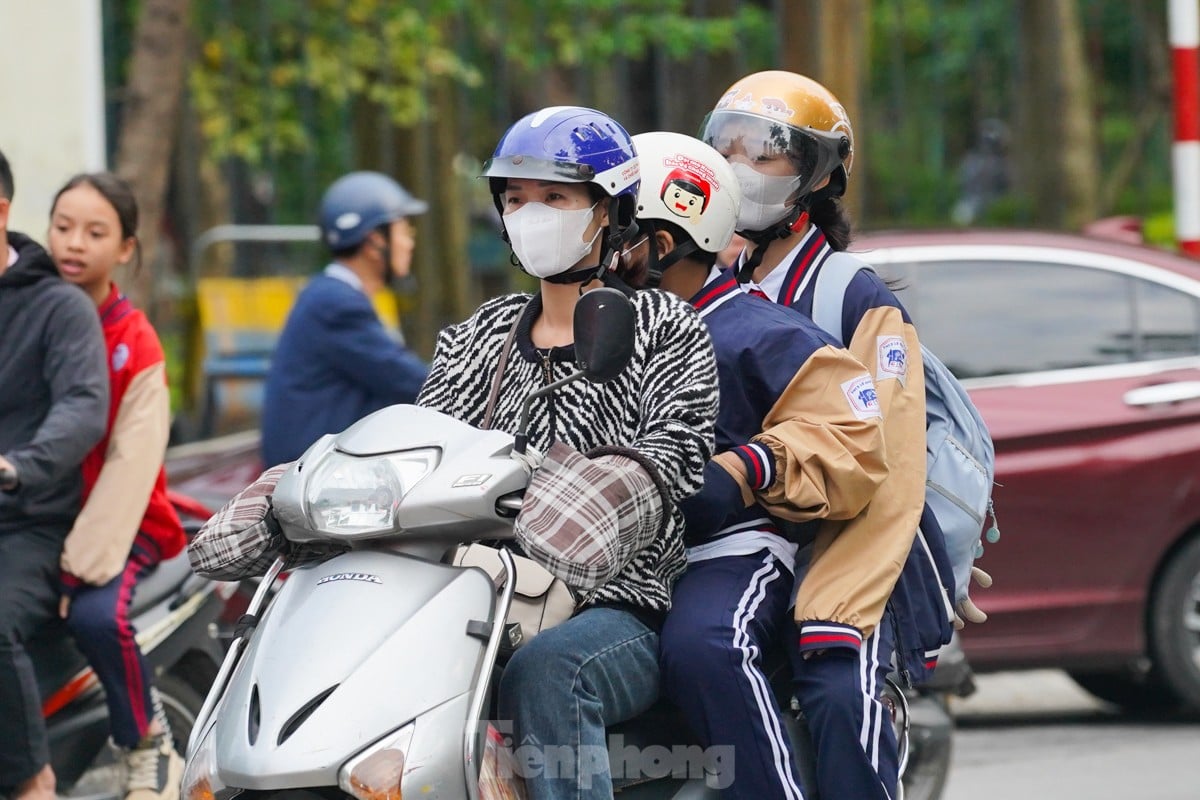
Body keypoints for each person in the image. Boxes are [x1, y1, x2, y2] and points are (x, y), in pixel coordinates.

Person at [415, 106, 719, 800]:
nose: (532, 213)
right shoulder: (477, 337)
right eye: (516, 198)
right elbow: (423, 445)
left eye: (555, 197)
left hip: (619, 608)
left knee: (550, 670)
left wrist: (591, 498)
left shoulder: (663, 326)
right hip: (479, 594)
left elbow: (679, 452)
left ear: (608, 212)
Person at [700, 70, 955, 799]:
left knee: (838, 697)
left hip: (840, 558)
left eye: (767, 153)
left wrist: (834, 612)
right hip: (741, 551)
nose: (741, 167)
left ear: (817, 175)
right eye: (728, 147)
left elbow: (894, 469)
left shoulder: (853, 296)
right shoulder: (708, 280)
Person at [630, 131, 890, 800]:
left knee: (704, 647)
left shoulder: (762, 331)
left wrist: (746, 468)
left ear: (667, 241)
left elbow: (855, 435)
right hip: (608, 557)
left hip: (729, 550)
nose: (600, 247)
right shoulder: (588, 325)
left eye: (618, 229)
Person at [46, 172, 188, 800]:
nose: (74, 244)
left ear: (126, 249)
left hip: (121, 528)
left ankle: (145, 742)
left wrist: (77, 569)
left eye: (95, 233)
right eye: (63, 227)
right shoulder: (26, 313)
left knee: (98, 618)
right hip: (36, 520)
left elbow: (129, 472)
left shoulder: (135, 344)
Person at [0, 149, 110, 800]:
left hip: (28, 526)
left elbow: (83, 408)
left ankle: (31, 783)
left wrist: (17, 467)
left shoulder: (56, 309)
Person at [261, 171, 431, 465]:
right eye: (404, 231)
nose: (410, 243)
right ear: (375, 242)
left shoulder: (329, 294)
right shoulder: (337, 305)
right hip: (312, 478)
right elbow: (407, 380)